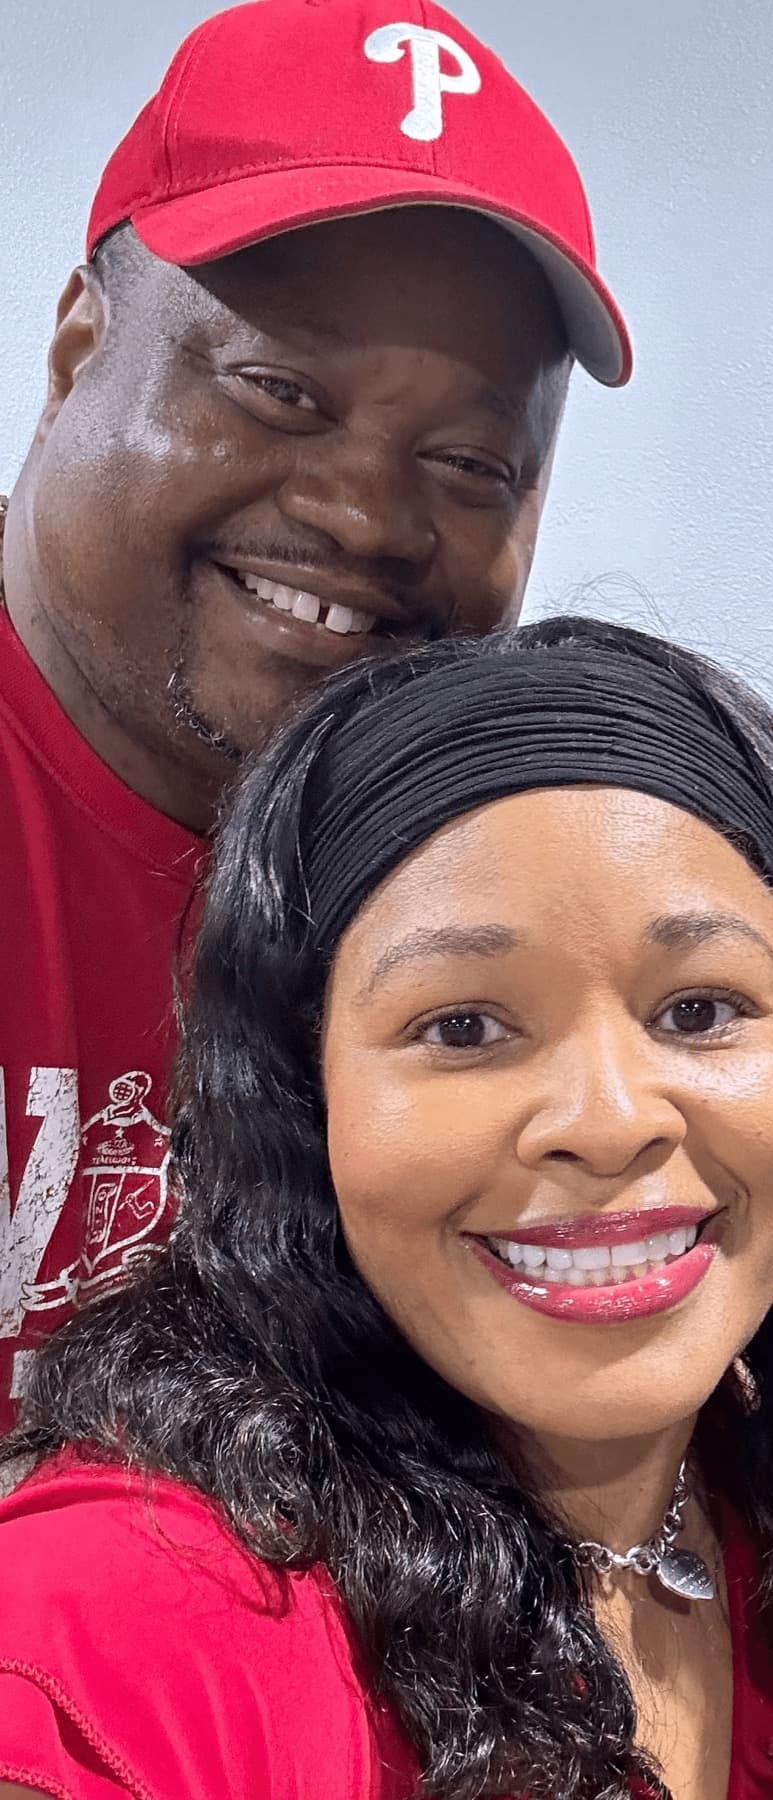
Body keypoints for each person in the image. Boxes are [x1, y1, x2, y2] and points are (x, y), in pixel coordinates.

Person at [0, 617, 773, 1800]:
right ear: (302, 1101)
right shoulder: (122, 1628)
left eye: (698, 1011)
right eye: (464, 1027)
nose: (608, 1117)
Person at [0, 0, 630, 1427]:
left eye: (472, 461)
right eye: (281, 391)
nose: (362, 513)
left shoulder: (478, 882)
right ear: (75, 353)